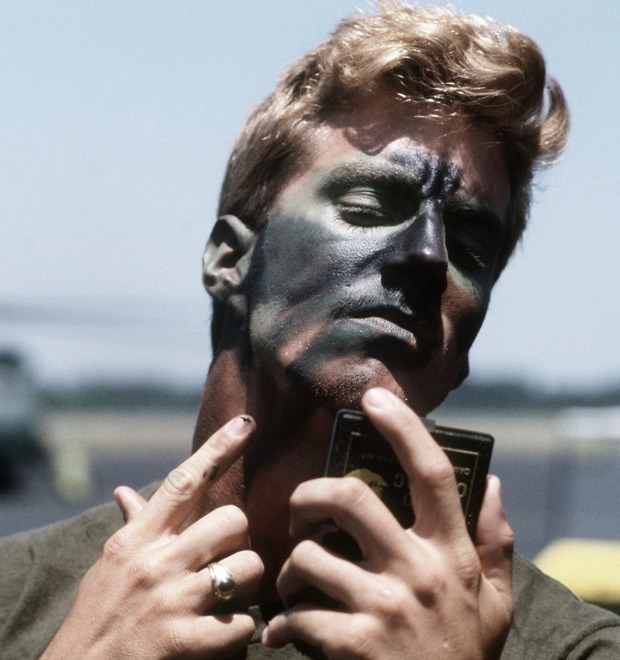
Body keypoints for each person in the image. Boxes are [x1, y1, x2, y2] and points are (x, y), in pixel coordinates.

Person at [2, 2, 619, 658]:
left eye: (469, 248)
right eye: (367, 206)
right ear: (231, 260)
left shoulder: (572, 647)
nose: (429, 257)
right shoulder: (18, 599)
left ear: (465, 345)